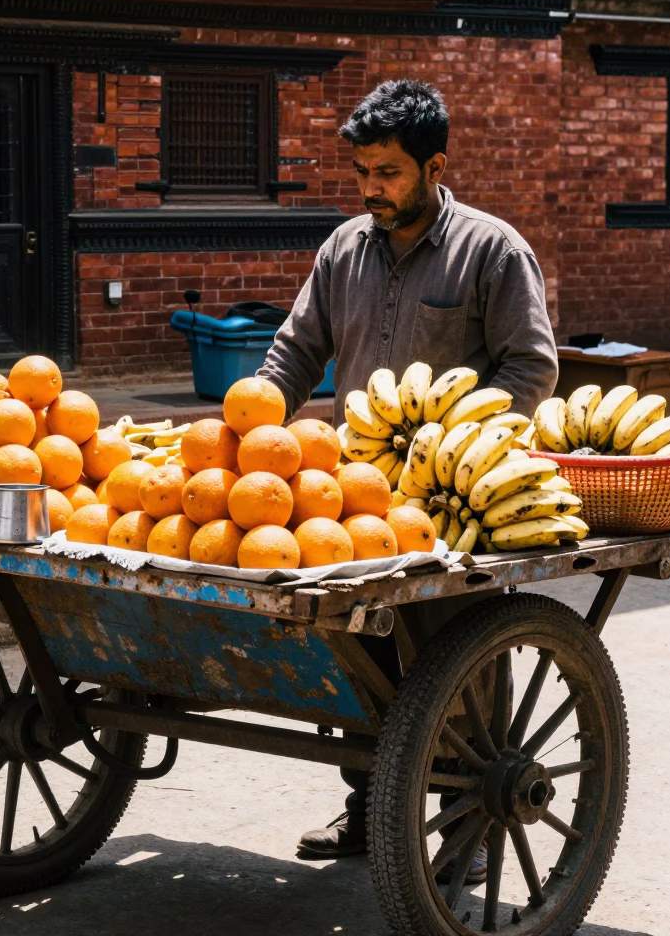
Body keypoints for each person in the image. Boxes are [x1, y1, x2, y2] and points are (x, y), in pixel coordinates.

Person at [257, 79, 559, 864]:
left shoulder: (492, 249)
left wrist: (453, 433)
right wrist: (260, 410)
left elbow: (529, 368)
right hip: (350, 495)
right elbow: (296, 351)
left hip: (453, 499)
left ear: (435, 165)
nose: (370, 190)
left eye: (387, 173)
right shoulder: (341, 251)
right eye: (361, 173)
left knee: (449, 659)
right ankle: (367, 813)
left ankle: (469, 825)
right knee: (359, 658)